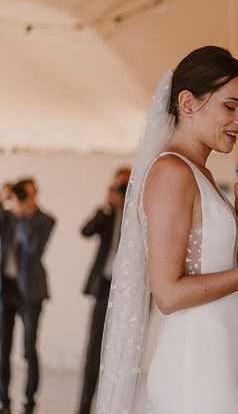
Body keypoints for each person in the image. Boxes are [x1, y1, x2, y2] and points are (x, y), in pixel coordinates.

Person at [95, 46, 238, 414]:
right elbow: (168, 294)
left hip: (218, 354)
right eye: (231, 106)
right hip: (194, 361)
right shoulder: (172, 172)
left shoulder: (200, 172)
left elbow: (218, 269)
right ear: (188, 103)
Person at [76, 167, 131, 414]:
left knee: (124, 348)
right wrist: (109, 205)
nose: (122, 189)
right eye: (119, 184)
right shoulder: (108, 213)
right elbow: (85, 231)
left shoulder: (140, 211)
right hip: (104, 286)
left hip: (129, 290)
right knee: (94, 347)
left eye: (126, 184)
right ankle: (84, 407)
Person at [0, 178, 55, 414]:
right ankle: (4, 402)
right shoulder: (6, 216)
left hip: (30, 293)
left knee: (28, 349)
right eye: (21, 193)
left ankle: (30, 403)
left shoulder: (45, 220)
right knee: (3, 349)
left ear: (36, 194)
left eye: (28, 193)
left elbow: (33, 249)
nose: (24, 197)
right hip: (5, 289)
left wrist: (22, 216)